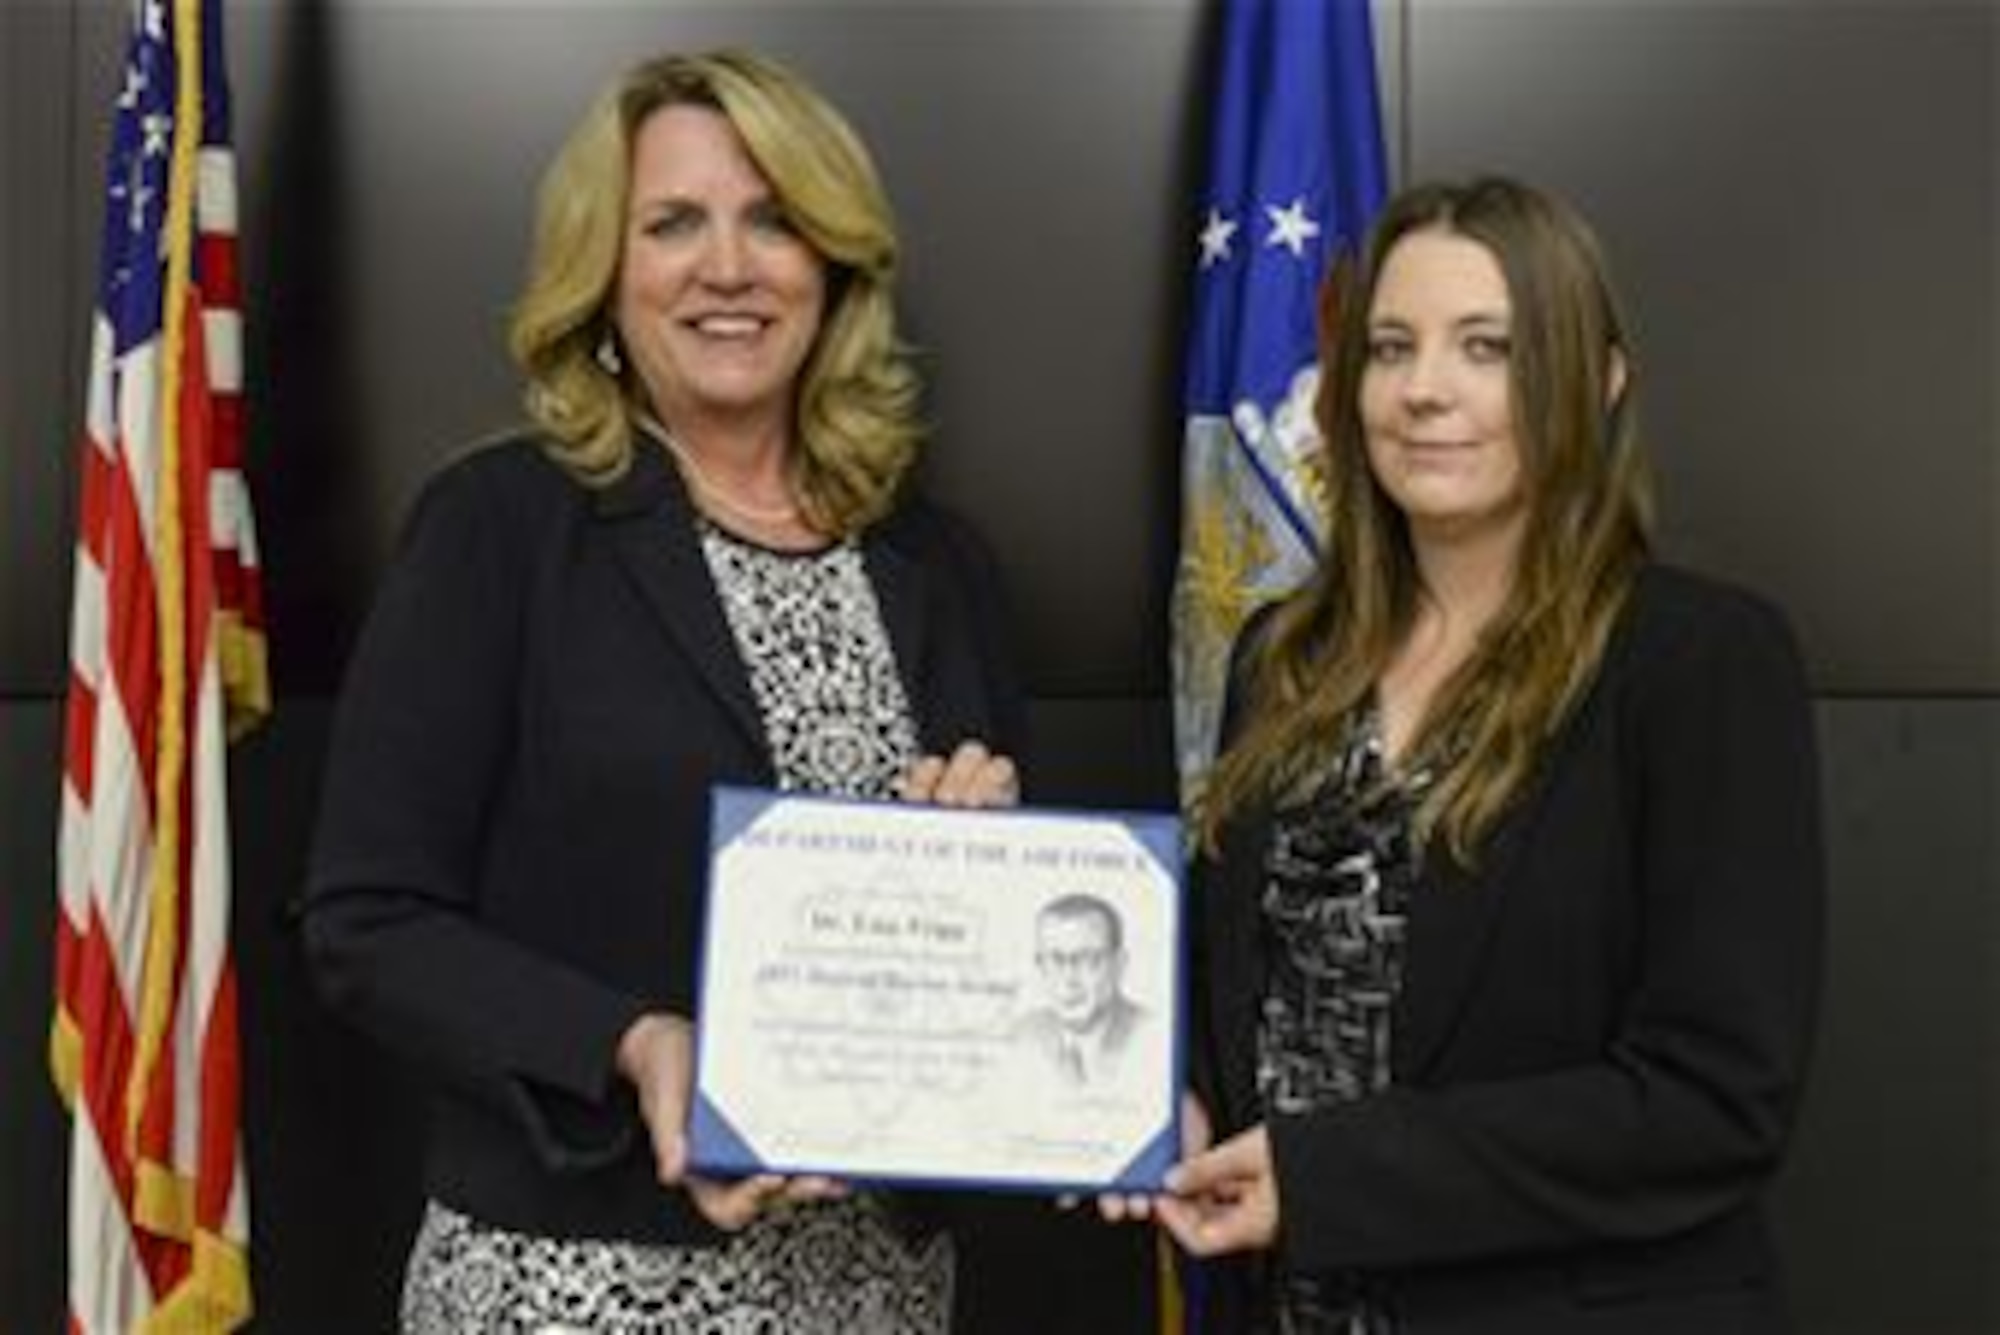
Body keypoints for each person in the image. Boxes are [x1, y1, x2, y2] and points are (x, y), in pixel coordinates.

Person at [300, 48, 1023, 1334]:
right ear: (604, 273)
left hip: (874, 1295)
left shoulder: (934, 565)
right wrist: (631, 1042)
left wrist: (982, 867)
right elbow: (367, 919)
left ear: (834, 265)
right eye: (673, 223)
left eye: (772, 219)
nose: (728, 267)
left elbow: (992, 964)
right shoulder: (500, 530)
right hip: (572, 1290)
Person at [1142, 177, 1826, 1333]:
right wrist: (1169, 1106)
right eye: (1389, 347)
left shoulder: (1697, 662)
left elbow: (1712, 1100)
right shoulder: (1281, 658)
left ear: (1596, 380)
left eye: (1486, 347)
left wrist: (1326, 1178)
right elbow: (1243, 1002)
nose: (1423, 392)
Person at [1013, 893, 1149, 1090]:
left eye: (1087, 959)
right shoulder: (1021, 1035)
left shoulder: (1148, 1036)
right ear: (1040, 966)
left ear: (1119, 965)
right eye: (1056, 959)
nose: (1070, 980)